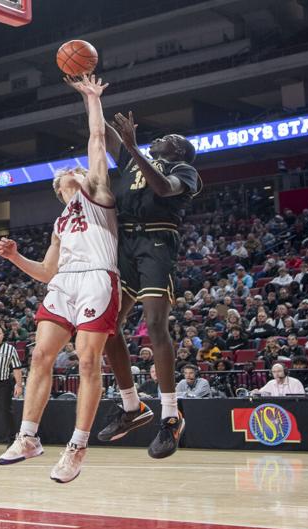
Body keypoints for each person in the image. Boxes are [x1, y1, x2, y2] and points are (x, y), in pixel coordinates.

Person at [0, 74, 120, 484]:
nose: (76, 173)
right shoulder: (60, 222)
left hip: (98, 278)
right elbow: (46, 272)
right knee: (39, 356)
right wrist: (15, 258)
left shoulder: (98, 195)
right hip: (64, 283)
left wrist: (92, 99)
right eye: (70, 175)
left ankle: (77, 447)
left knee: (86, 360)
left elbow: (97, 141)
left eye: (78, 172)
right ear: (60, 188)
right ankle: (28, 437)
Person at [90, 105, 204, 458]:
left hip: (157, 241)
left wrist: (135, 147)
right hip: (125, 243)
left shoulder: (183, 169)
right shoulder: (128, 156)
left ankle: (171, 415)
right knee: (107, 328)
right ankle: (131, 406)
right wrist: (90, 95)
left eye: (170, 139)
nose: (162, 137)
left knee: (155, 325)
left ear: (179, 151)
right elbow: (102, 132)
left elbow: (163, 188)